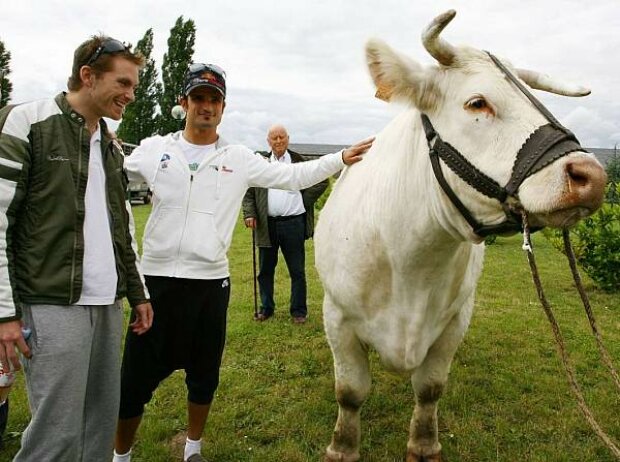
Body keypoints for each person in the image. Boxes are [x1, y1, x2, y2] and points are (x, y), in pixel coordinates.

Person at [114, 62, 373, 462]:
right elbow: (110, 159)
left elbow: (292, 177)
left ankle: (193, 449)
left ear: (223, 106)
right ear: (184, 103)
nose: (206, 106)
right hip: (156, 283)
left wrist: (339, 157)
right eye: (198, 98)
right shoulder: (156, 150)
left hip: (209, 284)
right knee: (133, 381)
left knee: (204, 377)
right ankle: (121, 455)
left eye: (214, 99)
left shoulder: (238, 157)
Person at [0, 35, 153, 461]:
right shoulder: (26, 121)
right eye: (123, 83)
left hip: (107, 304)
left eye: (134, 86)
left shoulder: (110, 143)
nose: (131, 95)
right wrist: (4, 313)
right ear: (88, 75)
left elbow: (121, 226)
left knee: (98, 429)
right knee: (57, 435)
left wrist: (137, 293)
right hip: (49, 302)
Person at [242, 125, 327, 323]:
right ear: (268, 141)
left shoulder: (299, 162)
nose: (278, 141)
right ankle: (266, 308)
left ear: (288, 139)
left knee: (297, 270)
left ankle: (298, 311)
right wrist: (249, 214)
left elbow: (321, 180)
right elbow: (248, 192)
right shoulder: (259, 163)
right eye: (274, 138)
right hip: (266, 225)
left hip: (293, 223)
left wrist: (303, 200)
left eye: (281, 137)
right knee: (265, 270)